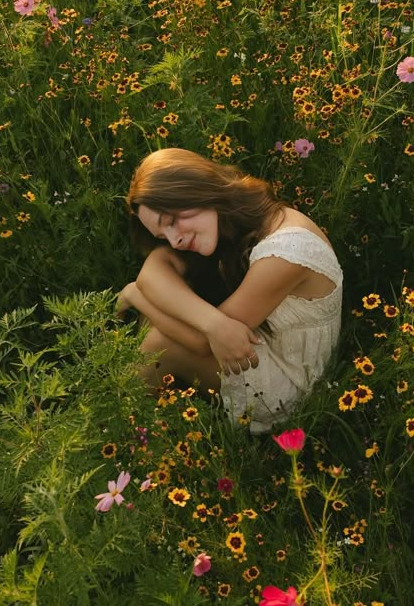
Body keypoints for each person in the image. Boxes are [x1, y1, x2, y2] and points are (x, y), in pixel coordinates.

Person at [116, 147, 343, 434]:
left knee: (160, 337)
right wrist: (214, 323)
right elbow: (155, 267)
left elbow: (202, 342)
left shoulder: (286, 250)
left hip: (290, 385)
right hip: (258, 351)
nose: (175, 241)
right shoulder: (235, 219)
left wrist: (138, 296)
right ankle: (147, 411)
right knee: (165, 304)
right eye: (163, 235)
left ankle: (121, 431)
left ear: (197, 189)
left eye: (171, 221)